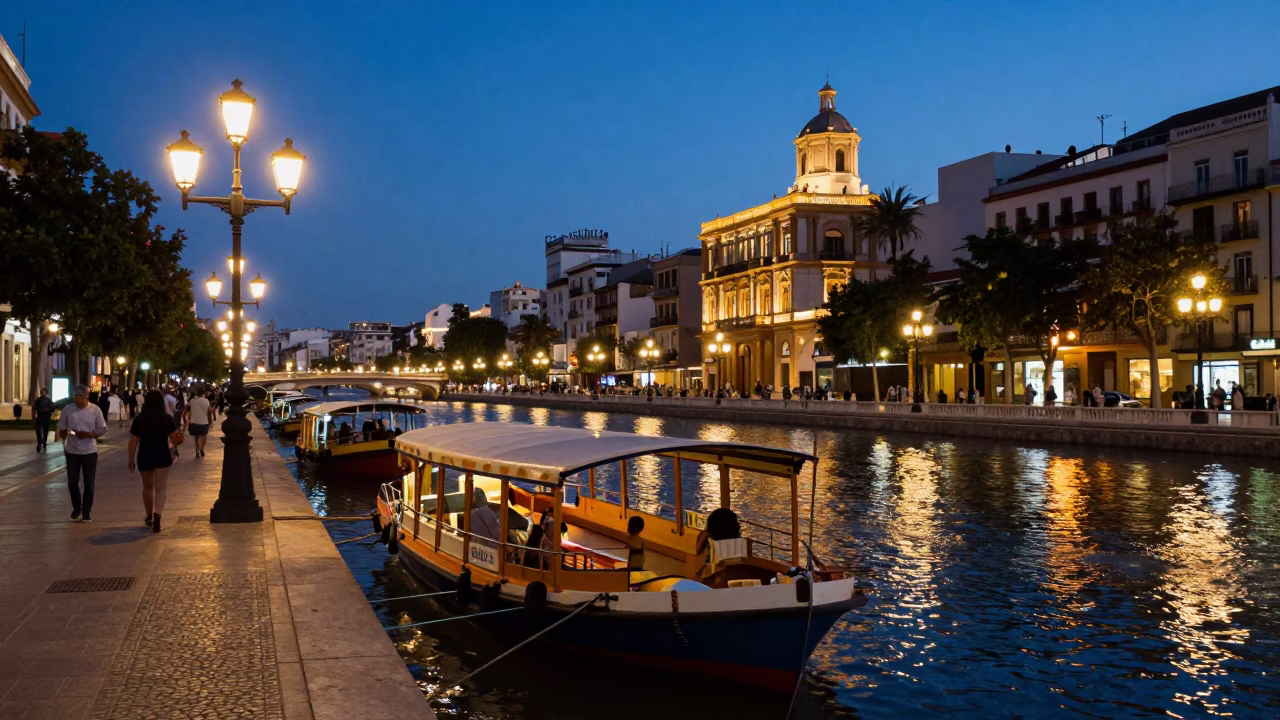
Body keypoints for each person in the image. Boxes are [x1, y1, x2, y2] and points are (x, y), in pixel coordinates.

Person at [128, 390, 177, 533]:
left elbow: (133, 441)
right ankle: (158, 516)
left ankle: (149, 516)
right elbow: (176, 438)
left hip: (145, 455)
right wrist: (175, 448)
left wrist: (130, 459)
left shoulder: (139, 419)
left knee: (147, 487)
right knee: (161, 488)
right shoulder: (167, 418)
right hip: (162, 455)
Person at [57, 384, 107, 522]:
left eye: (80, 397)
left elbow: (102, 429)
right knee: (72, 482)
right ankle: (77, 508)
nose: (78, 399)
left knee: (89, 483)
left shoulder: (95, 410)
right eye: (76, 396)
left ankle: (86, 511)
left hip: (89, 451)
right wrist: (66, 435)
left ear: (86, 397)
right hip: (72, 451)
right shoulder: (68, 409)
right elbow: (62, 427)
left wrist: (89, 434)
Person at [185, 390, 214, 458]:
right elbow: (210, 411)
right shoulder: (206, 401)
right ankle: (202, 449)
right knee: (203, 436)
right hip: (204, 422)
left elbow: (186, 406)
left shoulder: (192, 400)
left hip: (194, 421)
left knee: (196, 438)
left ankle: (197, 452)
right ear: (204, 394)